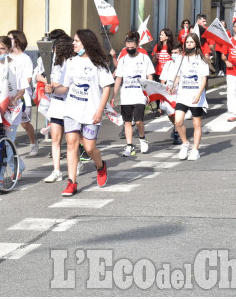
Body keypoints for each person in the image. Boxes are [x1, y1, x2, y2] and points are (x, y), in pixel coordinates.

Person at [52, 29, 113, 196]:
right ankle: (72, 182)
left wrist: (100, 110)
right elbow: (64, 87)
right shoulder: (70, 62)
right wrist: (53, 89)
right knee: (71, 143)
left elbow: (106, 87)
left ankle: (100, 166)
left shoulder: (99, 63)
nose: (73, 43)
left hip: (92, 111)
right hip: (71, 109)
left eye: (76, 41)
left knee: (89, 147)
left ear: (86, 43)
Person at [0, 36, 27, 174]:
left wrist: (14, 98)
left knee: (7, 143)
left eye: (2, 48)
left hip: (11, 110)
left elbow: (23, 89)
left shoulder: (16, 65)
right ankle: (18, 167)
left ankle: (0, 175)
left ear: (9, 49)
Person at [112, 31, 155, 156]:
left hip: (140, 95)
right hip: (126, 95)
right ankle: (129, 146)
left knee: (138, 121)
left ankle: (142, 138)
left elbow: (149, 75)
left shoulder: (144, 58)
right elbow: (118, 78)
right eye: (127, 48)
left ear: (137, 46)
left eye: (132, 48)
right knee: (127, 122)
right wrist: (114, 95)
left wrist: (149, 92)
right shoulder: (123, 60)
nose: (129, 50)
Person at [166, 33, 209, 161]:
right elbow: (178, 76)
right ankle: (185, 143)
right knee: (178, 121)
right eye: (187, 42)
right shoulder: (181, 59)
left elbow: (204, 79)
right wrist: (173, 86)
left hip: (196, 95)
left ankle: (195, 150)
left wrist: (199, 93)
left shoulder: (201, 60)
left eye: (191, 42)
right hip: (183, 95)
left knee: (197, 123)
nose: (188, 44)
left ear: (196, 44)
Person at [42, 34, 77, 183]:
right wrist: (48, 85)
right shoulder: (54, 63)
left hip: (70, 106)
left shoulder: (72, 63)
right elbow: (49, 80)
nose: (54, 50)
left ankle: (77, 163)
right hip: (56, 105)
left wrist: (53, 87)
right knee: (55, 139)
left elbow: (65, 87)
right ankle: (56, 171)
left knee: (72, 141)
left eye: (56, 47)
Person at [7, 30, 39, 156]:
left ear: (18, 40)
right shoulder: (7, 56)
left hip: (23, 96)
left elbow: (28, 78)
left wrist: (17, 88)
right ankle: (9, 146)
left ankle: (33, 143)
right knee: (8, 123)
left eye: (11, 38)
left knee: (25, 123)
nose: (8, 41)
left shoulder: (25, 59)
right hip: (9, 95)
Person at [159, 43, 184, 145]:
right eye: (172, 53)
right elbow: (162, 80)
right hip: (168, 92)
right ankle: (176, 126)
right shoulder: (168, 64)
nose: (173, 54)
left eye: (176, 53)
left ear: (181, 53)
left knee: (178, 113)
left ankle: (176, 133)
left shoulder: (184, 64)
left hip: (180, 92)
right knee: (170, 113)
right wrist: (162, 91)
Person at [151, 28, 174, 117]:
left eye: (162, 35)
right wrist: (155, 57)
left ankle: (169, 107)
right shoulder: (157, 47)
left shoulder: (172, 47)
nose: (160, 36)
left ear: (167, 37)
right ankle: (159, 109)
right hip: (158, 72)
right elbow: (154, 60)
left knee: (168, 91)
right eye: (160, 35)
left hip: (169, 74)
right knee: (158, 91)